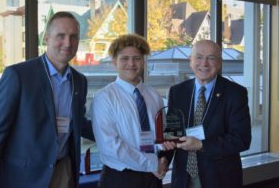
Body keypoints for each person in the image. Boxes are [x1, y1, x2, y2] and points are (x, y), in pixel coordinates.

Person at [0, 11, 94, 188]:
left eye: (73, 37)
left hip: (63, 172)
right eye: (61, 36)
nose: (68, 43)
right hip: (24, 178)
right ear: (46, 39)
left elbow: (79, 123)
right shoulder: (18, 76)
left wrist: (120, 134)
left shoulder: (79, 81)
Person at [164, 40, 252, 188]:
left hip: (219, 179)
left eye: (211, 58)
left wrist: (201, 145)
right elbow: (173, 134)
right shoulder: (177, 92)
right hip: (183, 178)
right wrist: (163, 160)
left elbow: (241, 139)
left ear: (219, 62)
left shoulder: (235, 93)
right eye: (198, 57)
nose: (204, 63)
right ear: (190, 61)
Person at [90, 34, 172, 188]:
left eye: (136, 58)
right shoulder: (104, 98)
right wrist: (152, 164)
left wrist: (162, 159)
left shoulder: (154, 95)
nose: (131, 64)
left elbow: (161, 135)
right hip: (120, 178)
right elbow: (111, 147)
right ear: (114, 61)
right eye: (124, 58)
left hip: (152, 177)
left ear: (143, 61)